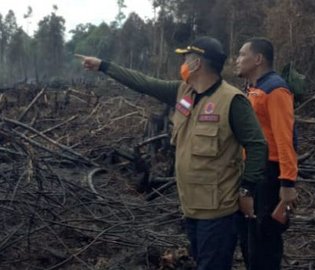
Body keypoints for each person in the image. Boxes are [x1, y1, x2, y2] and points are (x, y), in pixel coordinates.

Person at [77, 36, 268, 270]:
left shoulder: (232, 101)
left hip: (219, 212)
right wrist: (104, 66)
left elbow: (258, 145)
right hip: (190, 207)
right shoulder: (182, 92)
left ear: (197, 63)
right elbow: (143, 82)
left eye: (186, 58)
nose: (183, 63)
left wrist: (247, 190)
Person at [235, 37, 299, 270]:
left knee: (265, 241)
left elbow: (286, 138)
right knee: (249, 239)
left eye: (242, 54)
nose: (237, 59)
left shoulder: (275, 89)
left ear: (258, 59)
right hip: (250, 173)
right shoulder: (253, 89)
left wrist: (288, 183)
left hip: (269, 177)